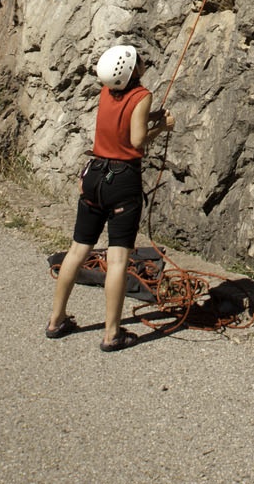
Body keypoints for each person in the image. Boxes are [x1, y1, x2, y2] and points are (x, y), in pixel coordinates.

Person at [46, 44, 174, 351]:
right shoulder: (141, 95)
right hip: (122, 179)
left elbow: (123, 120)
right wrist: (162, 126)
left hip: (94, 175)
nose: (143, 62)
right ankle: (112, 334)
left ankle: (56, 320)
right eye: (138, 61)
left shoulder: (107, 91)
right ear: (130, 71)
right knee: (118, 259)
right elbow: (137, 140)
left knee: (77, 251)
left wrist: (151, 117)